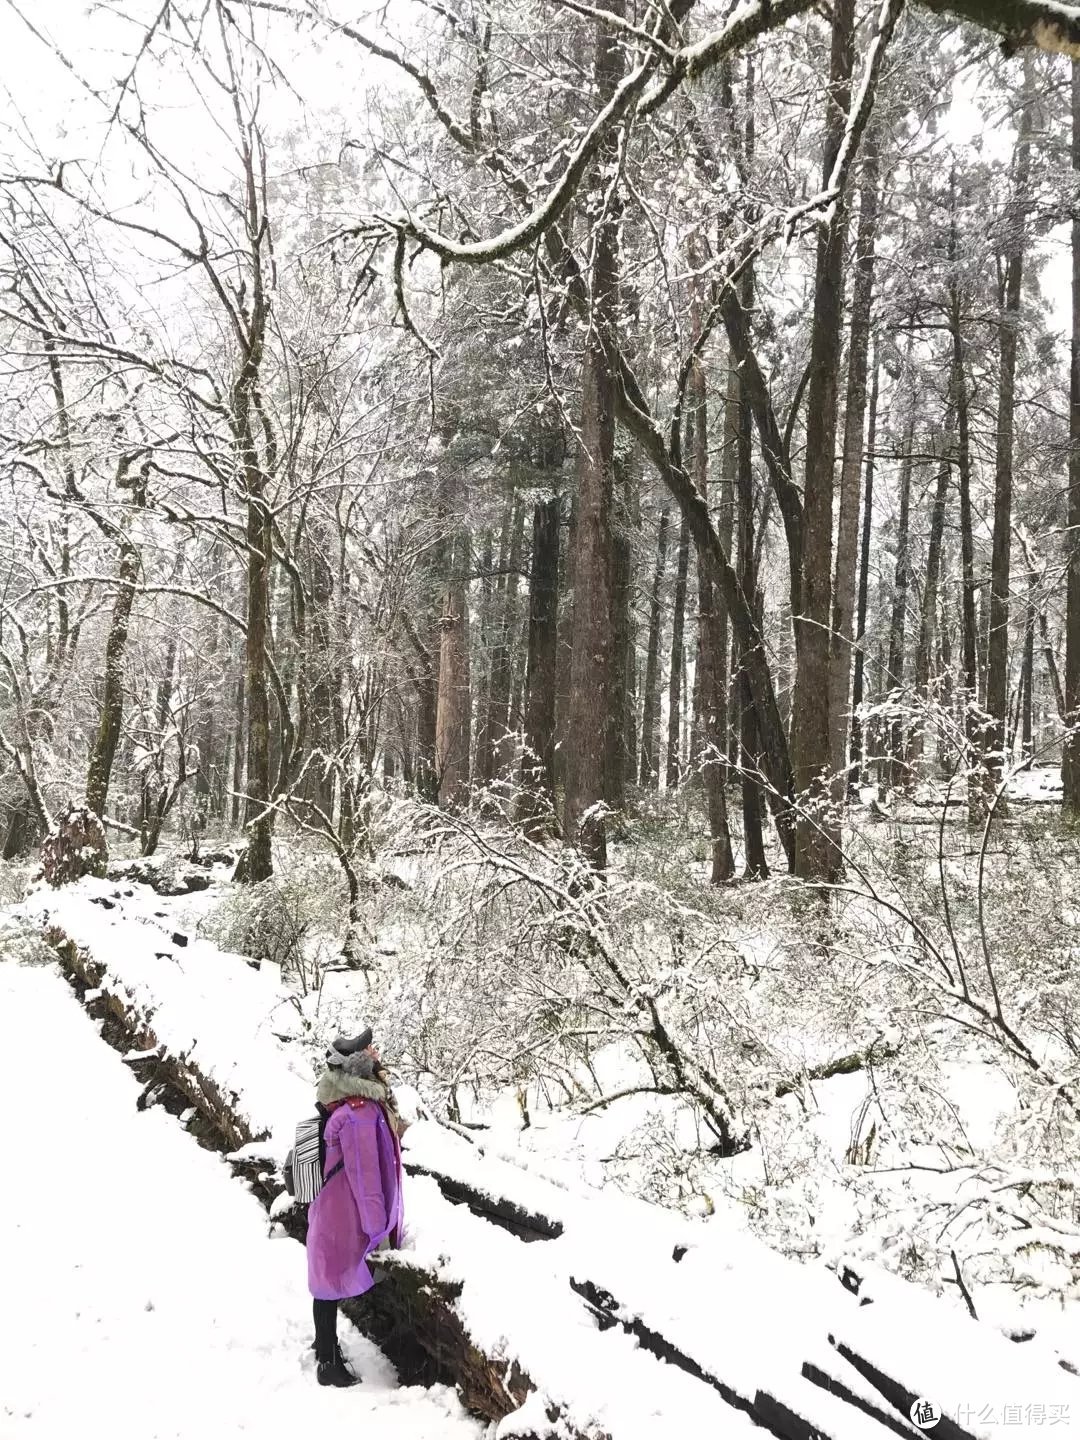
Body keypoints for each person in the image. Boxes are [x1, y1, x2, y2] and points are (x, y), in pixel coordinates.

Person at [306, 1027, 407, 1387]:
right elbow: (366, 1181)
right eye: (371, 1053)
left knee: (326, 1282)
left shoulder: (350, 1106)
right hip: (343, 1216)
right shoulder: (358, 1115)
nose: (378, 1056)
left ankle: (324, 1345)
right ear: (360, 1067)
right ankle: (328, 1365)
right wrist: (377, 1230)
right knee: (328, 1284)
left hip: (332, 1210)